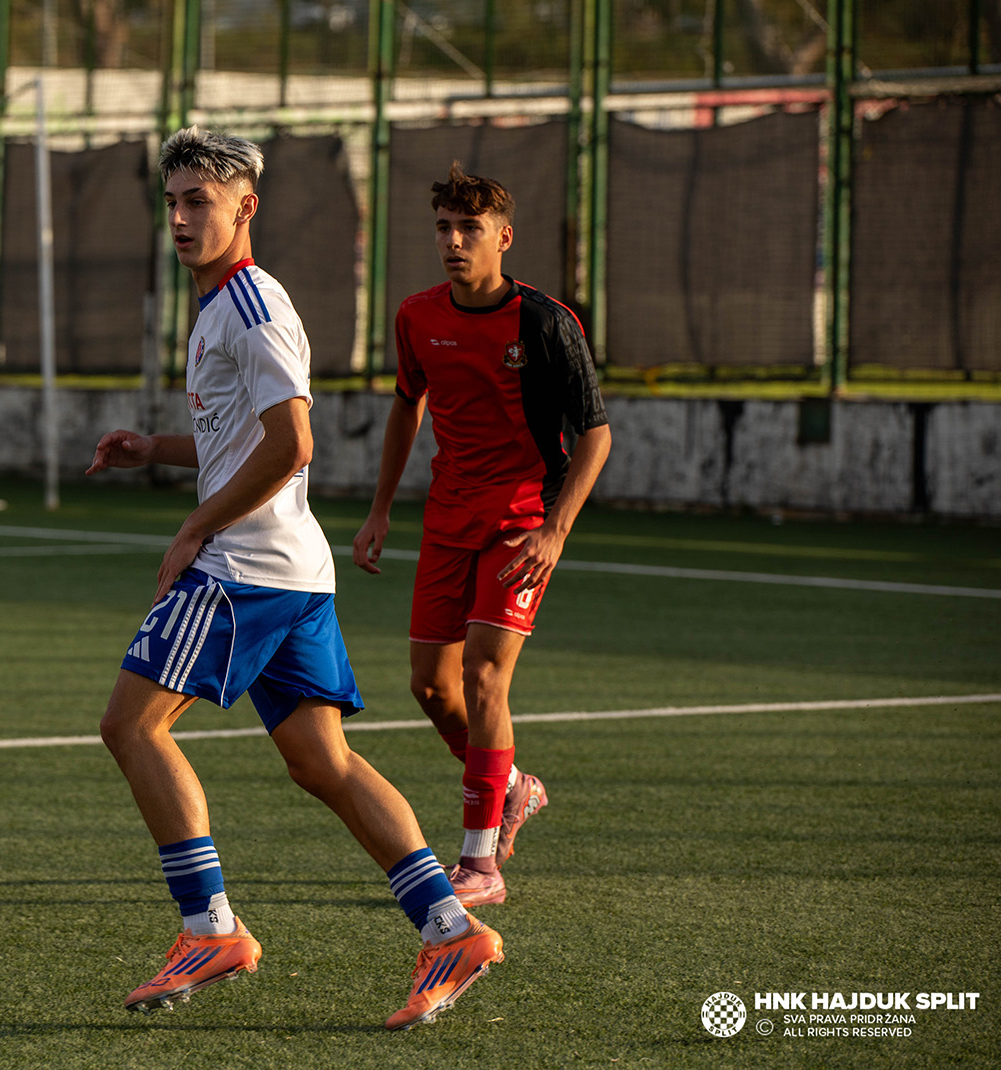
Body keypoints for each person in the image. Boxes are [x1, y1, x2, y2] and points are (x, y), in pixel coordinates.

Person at [87, 128, 503, 1031]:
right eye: (172, 202)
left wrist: (195, 528)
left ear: (247, 208)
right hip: (291, 569)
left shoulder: (249, 307)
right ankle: (449, 927)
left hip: (244, 567)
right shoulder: (219, 307)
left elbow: (294, 443)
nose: (182, 218)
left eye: (200, 201)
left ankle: (209, 928)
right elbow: (246, 435)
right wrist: (155, 451)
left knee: (131, 725)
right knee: (321, 761)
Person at [353, 162, 611, 908]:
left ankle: (478, 865)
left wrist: (554, 528)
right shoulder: (414, 317)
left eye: (468, 229)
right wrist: (379, 511)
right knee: (430, 687)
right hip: (446, 518)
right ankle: (515, 788)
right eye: (443, 227)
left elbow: (593, 435)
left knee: (485, 679)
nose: (453, 241)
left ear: (503, 238)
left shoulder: (544, 321)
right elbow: (407, 407)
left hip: (521, 520)